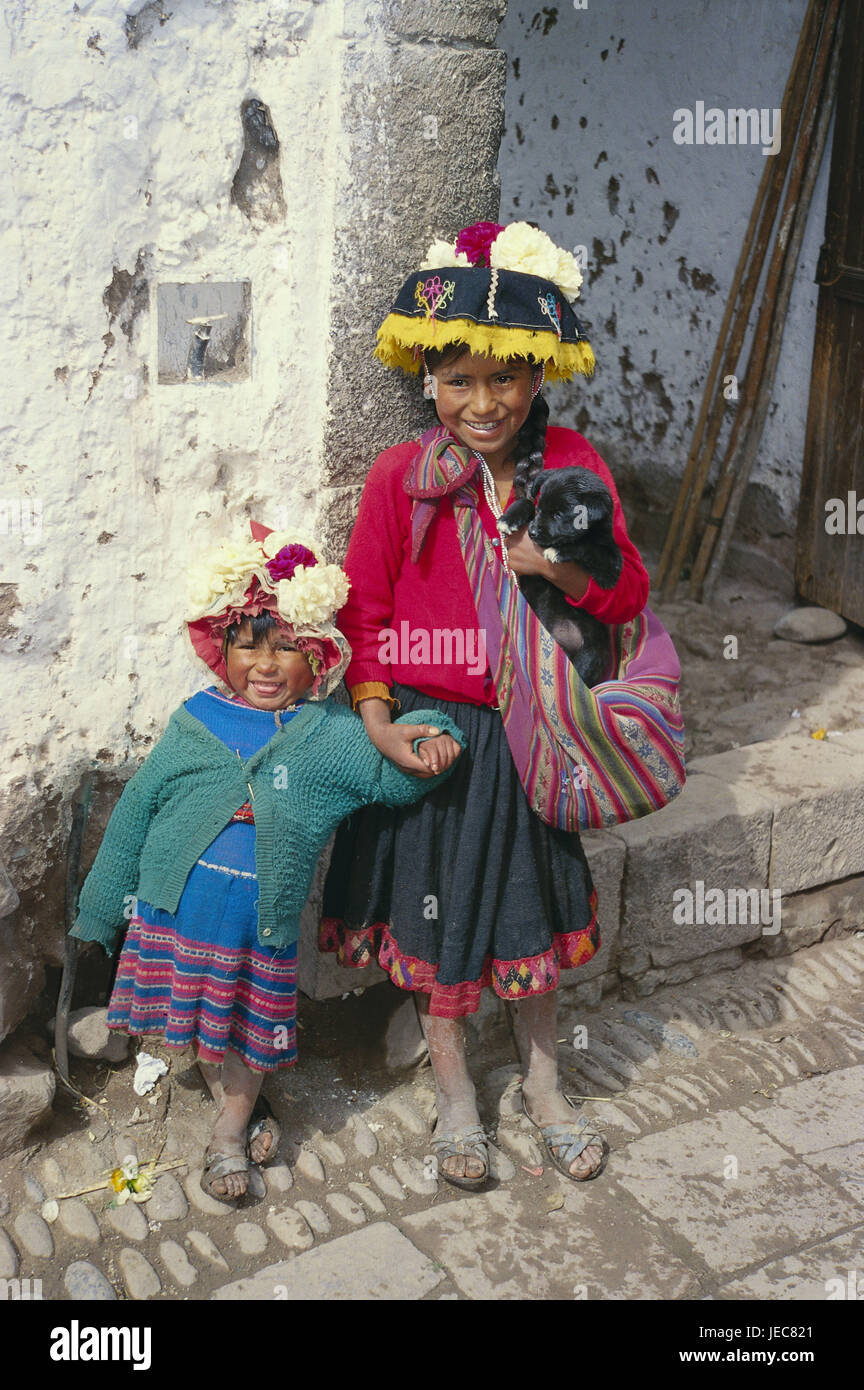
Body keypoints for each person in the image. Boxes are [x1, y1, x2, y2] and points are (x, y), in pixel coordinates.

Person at [320, 220, 650, 1189]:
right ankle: (458, 1094)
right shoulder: (401, 479)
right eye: (458, 380)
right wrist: (379, 721)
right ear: (430, 381)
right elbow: (367, 610)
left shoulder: (573, 468)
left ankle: (547, 1086)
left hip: (533, 736)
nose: (482, 402)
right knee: (435, 928)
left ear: (537, 375)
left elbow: (627, 592)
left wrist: (551, 564)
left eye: (502, 379)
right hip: (435, 738)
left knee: (527, 922)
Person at [68, 522, 464, 1204]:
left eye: (287, 649)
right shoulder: (194, 722)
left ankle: (227, 1132)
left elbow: (392, 779)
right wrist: (101, 909)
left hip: (261, 933)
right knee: (199, 1025)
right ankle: (232, 1100)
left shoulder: (329, 737)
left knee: (250, 1033)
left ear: (317, 661)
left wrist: (437, 739)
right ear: (224, 653)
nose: (267, 663)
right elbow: (134, 814)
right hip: (175, 916)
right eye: (250, 646)